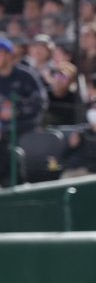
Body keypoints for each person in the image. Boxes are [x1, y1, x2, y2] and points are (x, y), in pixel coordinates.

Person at [0, 36, 47, 187]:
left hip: (25, 130)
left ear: (8, 54)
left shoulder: (26, 76)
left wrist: (17, 109)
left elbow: (41, 102)